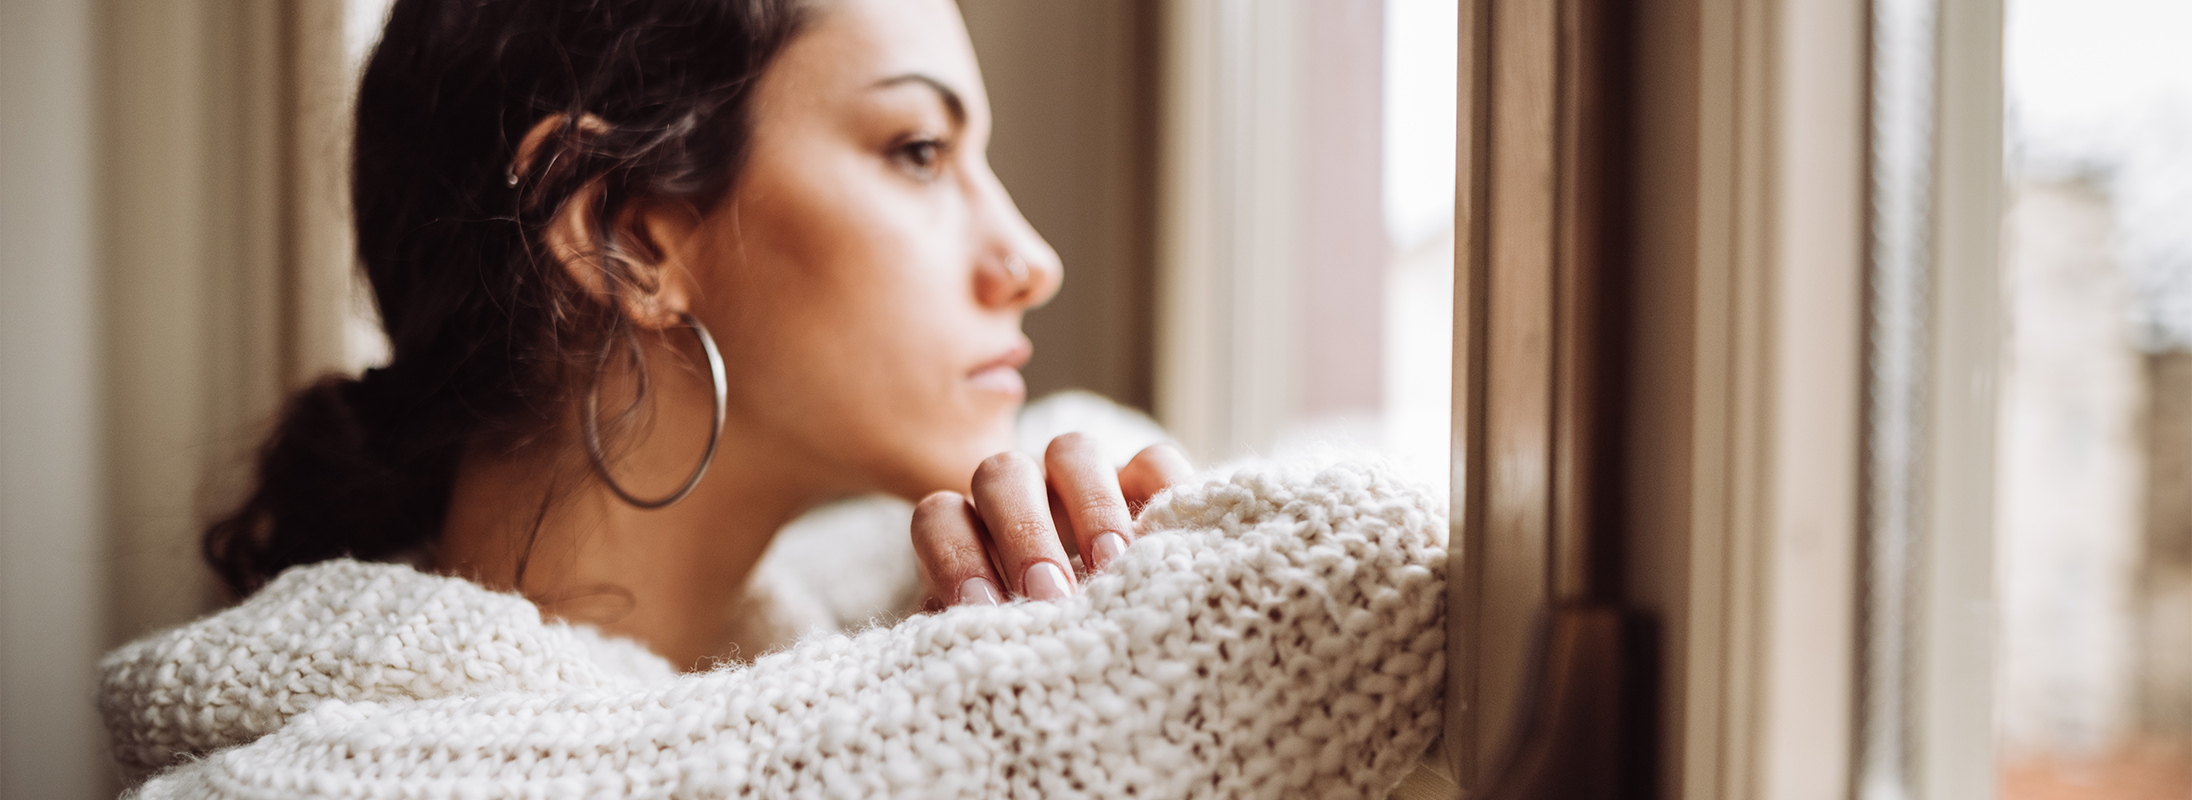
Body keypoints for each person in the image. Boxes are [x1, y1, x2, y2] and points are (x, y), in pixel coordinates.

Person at [97, 0, 1450, 796]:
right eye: (918, 151)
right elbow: (1375, 581)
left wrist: (1076, 508)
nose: (1029, 258)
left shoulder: (836, 643)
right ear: (632, 239)